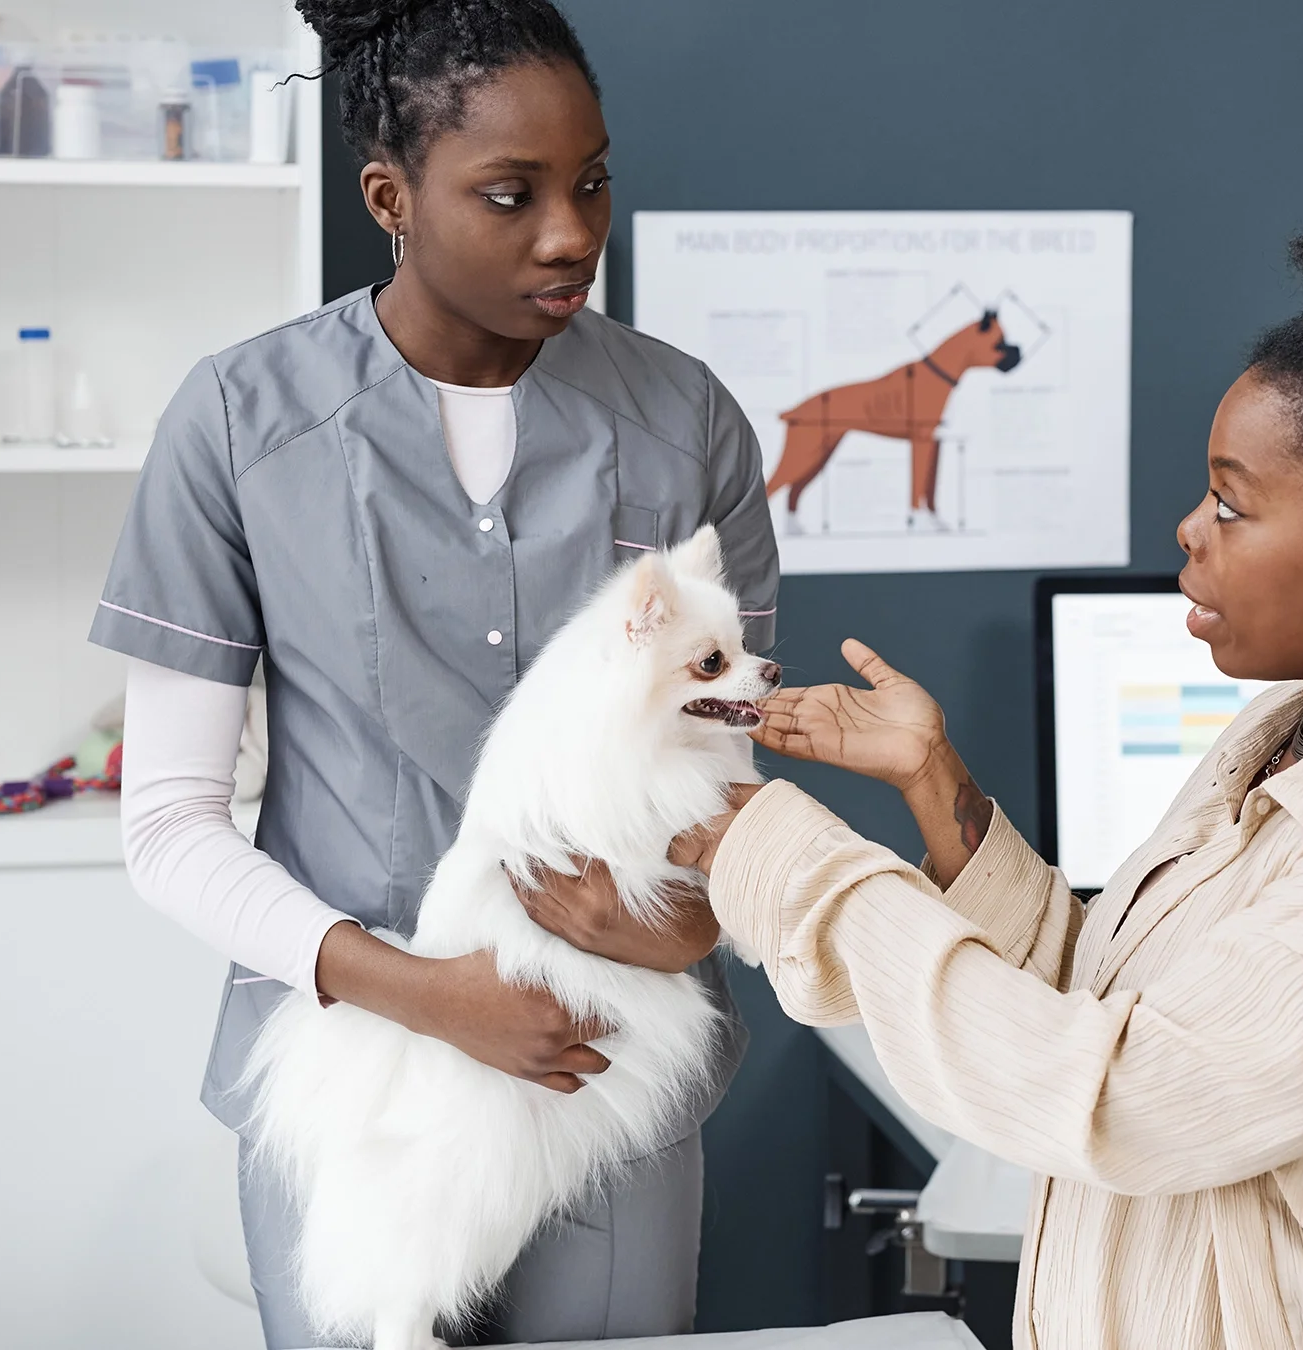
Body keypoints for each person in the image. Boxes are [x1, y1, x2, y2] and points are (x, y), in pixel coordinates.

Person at [554, 158, 1303, 1347]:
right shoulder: (1297, 735)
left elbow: (1124, 1103)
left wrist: (788, 862)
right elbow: (1120, 1011)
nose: (1189, 532)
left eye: (1234, 506)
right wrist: (940, 794)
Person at [88, 1, 776, 1342]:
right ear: (388, 196)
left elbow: (721, 773)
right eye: (510, 195)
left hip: (609, 1061)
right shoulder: (239, 421)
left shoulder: (686, 417)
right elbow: (166, 825)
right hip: (358, 1067)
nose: (571, 232)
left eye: (590, 183)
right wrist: (427, 993)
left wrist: (697, 920)